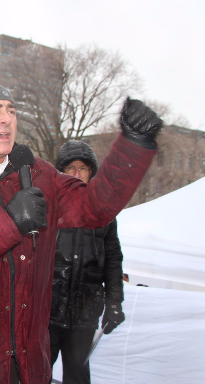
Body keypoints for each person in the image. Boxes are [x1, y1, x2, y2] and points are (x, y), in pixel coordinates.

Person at [0, 75, 162, 384]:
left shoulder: (36, 173)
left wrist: (134, 146)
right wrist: (8, 222)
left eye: (11, 110)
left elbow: (94, 207)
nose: (6, 119)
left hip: (24, 363)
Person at [50, 140, 125, 384]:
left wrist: (115, 303)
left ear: (91, 172)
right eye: (70, 167)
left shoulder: (103, 212)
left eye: (83, 168)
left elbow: (113, 261)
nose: (76, 174)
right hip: (47, 310)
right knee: (34, 373)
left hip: (84, 313)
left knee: (78, 376)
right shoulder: (47, 206)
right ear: (60, 171)